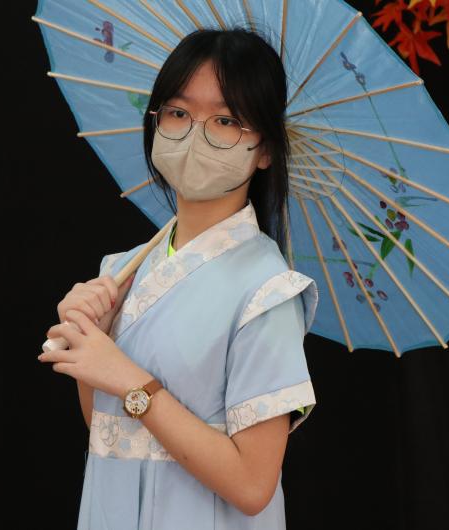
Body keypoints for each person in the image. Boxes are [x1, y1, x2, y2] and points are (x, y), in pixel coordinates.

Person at [38, 26, 319, 529]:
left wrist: (128, 378)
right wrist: (91, 343)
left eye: (226, 120)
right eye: (178, 113)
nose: (195, 134)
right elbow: (107, 430)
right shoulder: (121, 272)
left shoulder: (267, 292)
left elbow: (252, 486)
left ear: (265, 150)